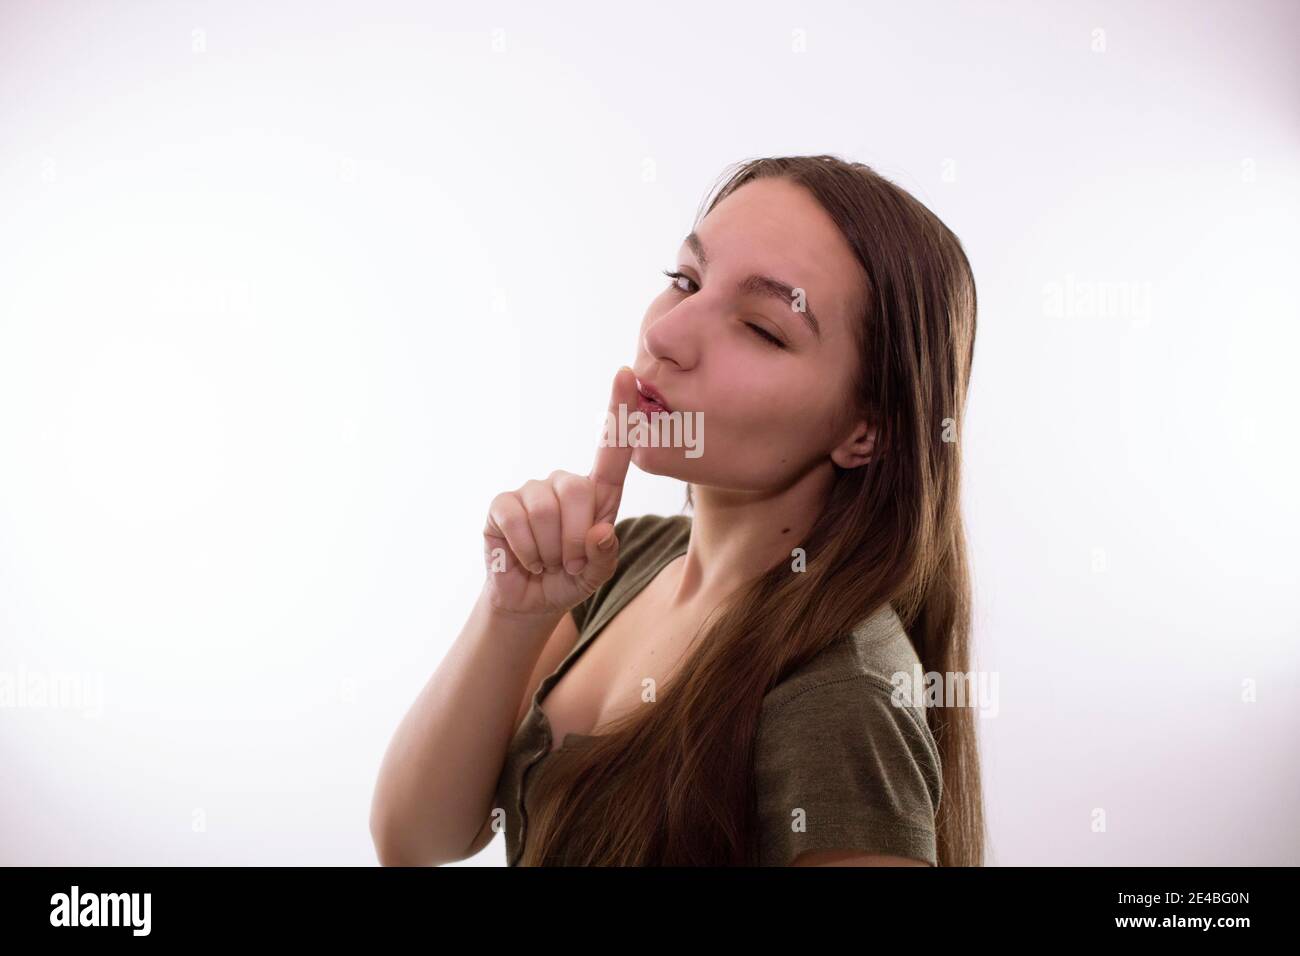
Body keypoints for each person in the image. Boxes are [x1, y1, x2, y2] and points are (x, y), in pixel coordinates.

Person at [370, 154, 983, 866]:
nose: (665, 336)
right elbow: (414, 840)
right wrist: (512, 614)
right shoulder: (625, 558)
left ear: (864, 429)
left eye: (760, 328)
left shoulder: (843, 696)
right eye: (685, 281)